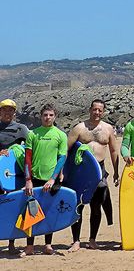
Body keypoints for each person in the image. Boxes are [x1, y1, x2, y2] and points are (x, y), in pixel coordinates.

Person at [67, 99, 120, 251]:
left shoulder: (108, 129)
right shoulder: (79, 128)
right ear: (90, 110)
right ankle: (76, 241)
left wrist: (116, 171)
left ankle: (92, 239)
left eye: (100, 110)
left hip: (99, 170)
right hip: (81, 171)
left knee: (96, 206)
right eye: (94, 109)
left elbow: (114, 151)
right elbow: (66, 149)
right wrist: (64, 173)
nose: (97, 112)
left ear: (103, 112)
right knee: (78, 205)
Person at [22, 104, 68, 256]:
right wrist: (28, 180)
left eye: (50, 115)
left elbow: (62, 158)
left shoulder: (60, 135)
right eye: (45, 115)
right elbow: (27, 158)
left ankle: (48, 245)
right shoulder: (33, 134)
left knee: (49, 212)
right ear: (40, 116)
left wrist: (53, 179)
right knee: (31, 213)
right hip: (35, 179)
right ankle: (29, 247)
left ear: (55, 117)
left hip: (51, 180)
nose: (47, 118)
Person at [0, 98, 29, 253]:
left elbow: (31, 148)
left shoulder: (21, 129)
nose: (7, 112)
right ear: (0, 112)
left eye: (10, 110)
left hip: (14, 175)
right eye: (4, 109)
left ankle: (11, 243)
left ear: (14, 112)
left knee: (14, 207)